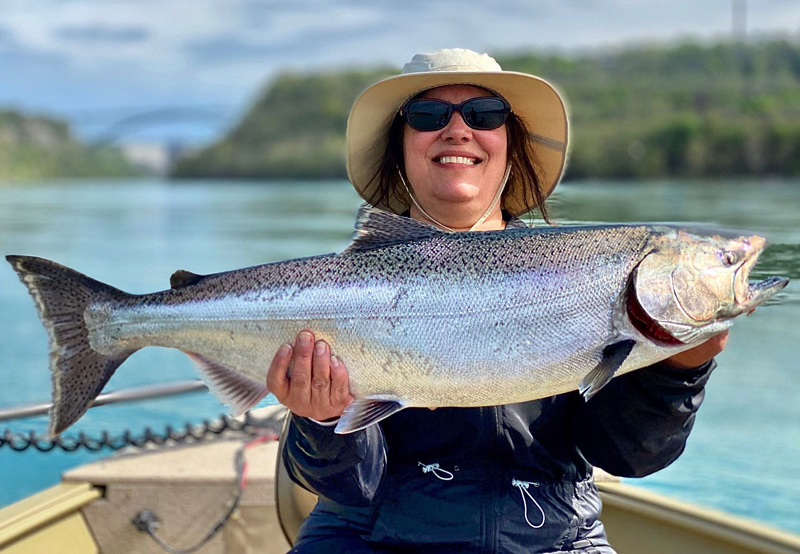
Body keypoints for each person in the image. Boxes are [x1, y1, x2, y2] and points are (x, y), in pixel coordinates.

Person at [266, 48, 727, 553]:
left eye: (485, 115)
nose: (458, 129)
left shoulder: (584, 274)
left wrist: (677, 372)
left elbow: (627, 457)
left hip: (557, 541)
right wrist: (324, 419)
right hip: (365, 539)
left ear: (512, 145)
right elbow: (341, 484)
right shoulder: (339, 294)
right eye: (428, 115)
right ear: (399, 147)